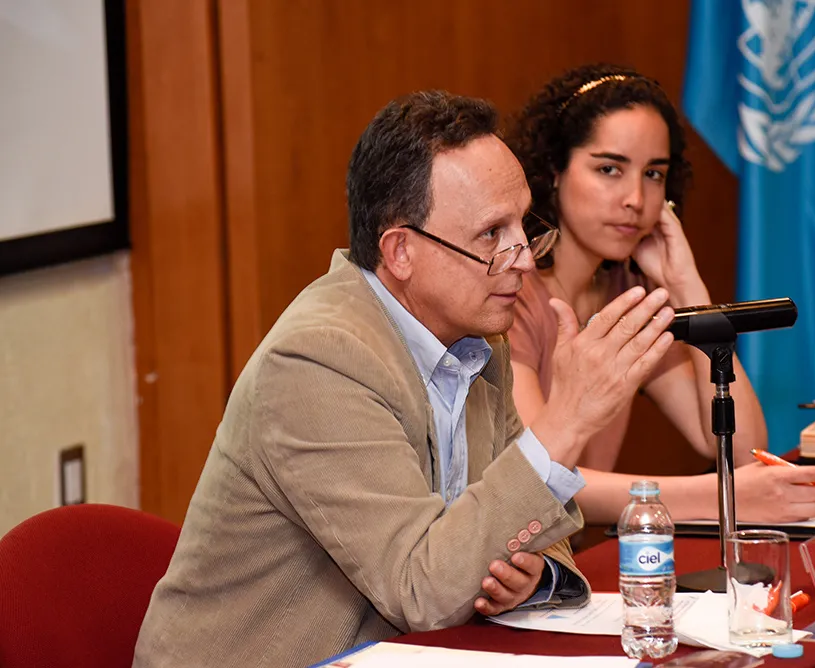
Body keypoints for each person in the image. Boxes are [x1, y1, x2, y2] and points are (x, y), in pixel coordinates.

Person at [133, 91, 678, 668]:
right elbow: (425, 591)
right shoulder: (318, 361)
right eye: (492, 234)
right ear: (400, 252)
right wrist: (567, 420)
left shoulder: (475, 338)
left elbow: (542, 529)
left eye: (524, 222)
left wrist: (533, 574)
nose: (523, 256)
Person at [505, 64, 815, 527]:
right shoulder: (509, 292)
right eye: (609, 169)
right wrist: (718, 496)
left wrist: (689, 288)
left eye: (653, 174)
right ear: (553, 170)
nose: (635, 199)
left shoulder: (630, 295)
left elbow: (740, 448)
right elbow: (537, 478)